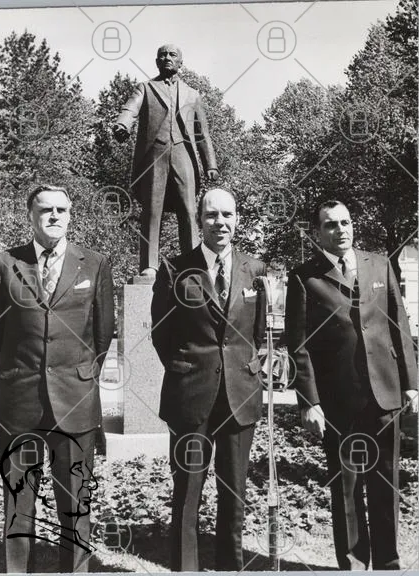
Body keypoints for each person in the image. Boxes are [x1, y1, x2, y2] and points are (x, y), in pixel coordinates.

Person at [0, 184, 115, 572]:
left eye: (61, 210)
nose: (54, 216)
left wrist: (81, 378)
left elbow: (103, 334)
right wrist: (12, 377)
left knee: (76, 498)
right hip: (19, 399)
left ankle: (75, 569)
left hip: (75, 400)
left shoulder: (95, 264)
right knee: (19, 496)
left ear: (70, 215)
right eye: (45, 210)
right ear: (31, 216)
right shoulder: (4, 264)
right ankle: (19, 569)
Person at [285, 200, 418, 570]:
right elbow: (298, 346)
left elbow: (399, 325)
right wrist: (309, 401)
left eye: (345, 222)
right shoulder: (304, 278)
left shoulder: (380, 265)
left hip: (384, 395)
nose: (340, 230)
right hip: (337, 401)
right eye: (330, 224)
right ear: (317, 232)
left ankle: (388, 564)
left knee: (386, 484)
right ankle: (353, 566)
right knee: (346, 489)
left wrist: (411, 383)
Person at [151, 188, 266, 571]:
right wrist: (187, 368)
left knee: (234, 490)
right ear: (199, 220)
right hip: (191, 395)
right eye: (212, 215)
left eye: (227, 215)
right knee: (187, 490)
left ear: (237, 219)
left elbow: (256, 332)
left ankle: (230, 566)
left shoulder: (256, 270)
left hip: (240, 394)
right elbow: (162, 334)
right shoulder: (174, 268)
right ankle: (185, 567)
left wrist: (243, 368)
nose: (220, 222)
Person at [114, 44, 219, 276]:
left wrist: (210, 164)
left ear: (181, 62)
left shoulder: (192, 94)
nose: (167, 58)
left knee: (189, 210)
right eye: (162, 55)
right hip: (155, 156)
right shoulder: (146, 88)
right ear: (156, 61)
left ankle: (193, 265)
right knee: (152, 210)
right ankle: (149, 265)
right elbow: (130, 108)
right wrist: (122, 124)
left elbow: (202, 133)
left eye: (172, 55)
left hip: (184, 155)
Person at [0, 429, 98, 560]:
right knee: (17, 501)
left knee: (75, 503)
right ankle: (18, 567)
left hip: (74, 419)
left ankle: (74, 568)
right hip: (19, 419)